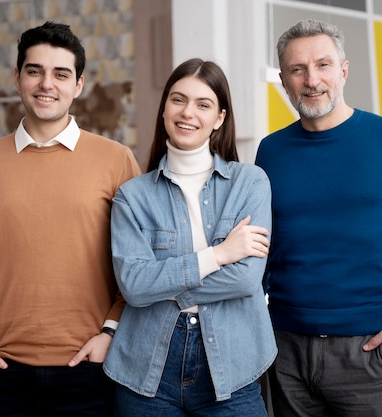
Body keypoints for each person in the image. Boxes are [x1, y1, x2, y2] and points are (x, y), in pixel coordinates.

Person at [255, 19, 382, 417]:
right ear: (284, 79)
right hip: (286, 353)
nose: (312, 80)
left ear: (344, 70)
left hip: (370, 353)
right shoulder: (270, 151)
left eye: (323, 65)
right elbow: (263, 245)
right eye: (298, 69)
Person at [0, 21, 141, 416]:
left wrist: (110, 333)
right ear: (17, 77)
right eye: (34, 71)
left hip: (89, 367)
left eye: (60, 74)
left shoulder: (116, 159)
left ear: (79, 84)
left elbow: (137, 262)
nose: (45, 84)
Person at [103, 58, 277, 416]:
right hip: (146, 370)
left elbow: (245, 279)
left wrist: (160, 286)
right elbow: (134, 286)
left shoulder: (251, 182)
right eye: (178, 99)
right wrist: (219, 255)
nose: (188, 113)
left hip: (235, 365)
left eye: (203, 104)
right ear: (164, 107)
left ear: (220, 118)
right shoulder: (131, 196)